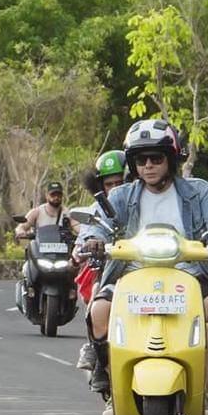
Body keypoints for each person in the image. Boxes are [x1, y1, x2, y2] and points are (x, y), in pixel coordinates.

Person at [78, 119, 208, 415]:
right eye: (141, 160)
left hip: (189, 272)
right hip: (132, 273)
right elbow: (97, 225)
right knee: (99, 312)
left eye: (156, 158)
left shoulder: (199, 191)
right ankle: (118, 390)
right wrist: (93, 242)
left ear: (172, 159)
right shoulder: (120, 196)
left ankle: (199, 393)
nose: (148, 165)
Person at [74, 150, 127, 370]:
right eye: (109, 184)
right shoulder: (98, 208)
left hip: (146, 266)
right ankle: (94, 349)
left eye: (120, 182)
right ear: (101, 186)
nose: (115, 189)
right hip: (110, 268)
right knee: (96, 296)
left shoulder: (140, 201)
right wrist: (84, 246)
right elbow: (88, 231)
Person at [14, 182, 78, 242]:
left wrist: (84, 233)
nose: (56, 197)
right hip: (40, 249)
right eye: (53, 195)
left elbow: (78, 227)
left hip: (63, 249)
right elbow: (22, 226)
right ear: (47, 195)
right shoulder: (37, 212)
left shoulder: (67, 213)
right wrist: (21, 231)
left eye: (59, 195)